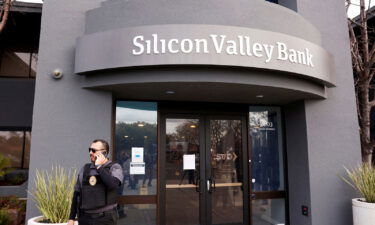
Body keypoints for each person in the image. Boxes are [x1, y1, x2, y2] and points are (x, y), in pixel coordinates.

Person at [67, 139, 123, 225]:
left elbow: (113, 184)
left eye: (93, 150)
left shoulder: (114, 167)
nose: (90, 153)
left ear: (104, 152)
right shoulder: (85, 168)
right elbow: (76, 194)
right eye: (89, 150)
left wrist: (99, 167)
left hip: (105, 219)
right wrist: (71, 218)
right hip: (85, 219)